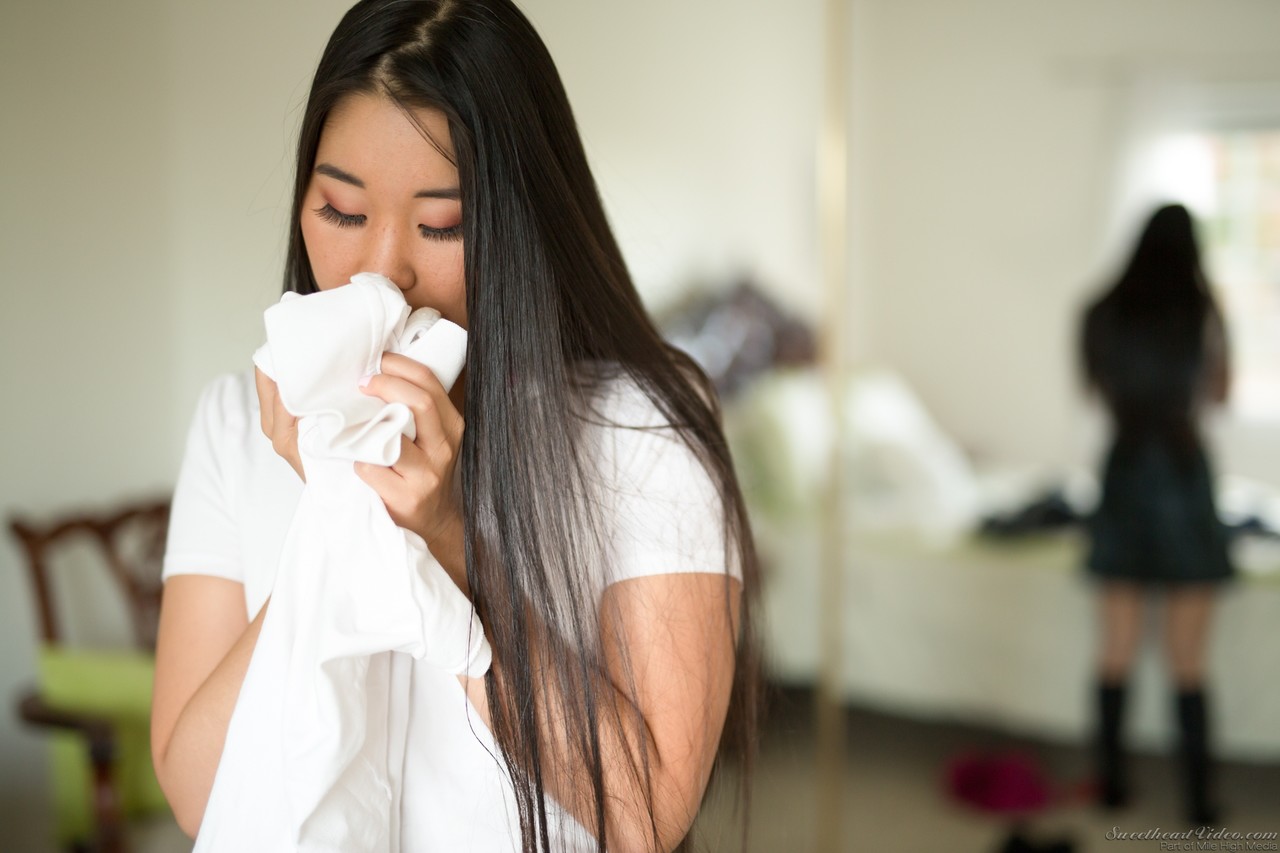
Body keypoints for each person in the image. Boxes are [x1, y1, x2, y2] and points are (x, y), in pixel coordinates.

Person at [149, 1, 761, 850]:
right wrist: (336, 513)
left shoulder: (641, 431)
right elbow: (195, 793)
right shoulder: (235, 425)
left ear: (524, 221)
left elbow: (647, 816)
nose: (380, 271)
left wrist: (446, 540)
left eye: (443, 224)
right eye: (342, 211)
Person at [1080, 203, 1233, 826]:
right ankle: (1198, 802)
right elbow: (1220, 392)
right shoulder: (1203, 310)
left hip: (1124, 473)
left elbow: (1094, 389)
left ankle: (1112, 787)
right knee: (1188, 659)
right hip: (1181, 473)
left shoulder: (1101, 310)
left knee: (1115, 648)